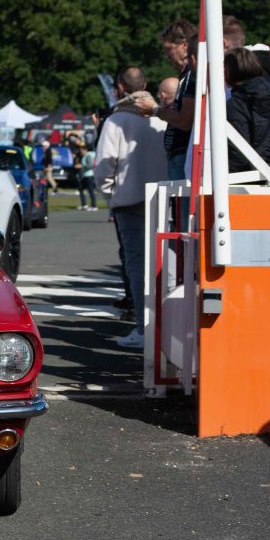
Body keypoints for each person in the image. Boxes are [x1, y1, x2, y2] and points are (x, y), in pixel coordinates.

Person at [94, 66, 168, 350]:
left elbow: (104, 166)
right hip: (163, 198)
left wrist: (110, 195)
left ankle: (143, 327)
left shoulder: (116, 121)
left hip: (130, 199)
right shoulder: (161, 118)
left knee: (137, 266)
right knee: (164, 265)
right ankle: (163, 324)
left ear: (120, 88)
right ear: (145, 85)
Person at [134, 20, 196, 183]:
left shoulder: (191, 74)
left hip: (184, 156)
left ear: (184, 45)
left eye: (168, 49)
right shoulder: (186, 75)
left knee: (185, 208)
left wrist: (155, 109)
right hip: (180, 156)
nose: (166, 55)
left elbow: (184, 121)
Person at [224, 47, 270, 173]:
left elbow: (238, 151)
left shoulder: (235, 104)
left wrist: (230, 174)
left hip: (246, 178)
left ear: (230, 71)